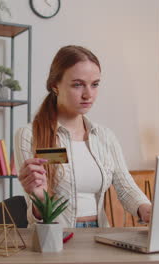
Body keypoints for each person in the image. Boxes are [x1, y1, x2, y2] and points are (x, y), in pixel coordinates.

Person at [14, 45, 151, 228]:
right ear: (55, 86)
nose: (88, 94)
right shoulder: (29, 135)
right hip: (54, 237)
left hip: (99, 235)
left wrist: (147, 210)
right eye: (77, 85)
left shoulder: (104, 136)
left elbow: (126, 187)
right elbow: (37, 214)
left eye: (94, 84)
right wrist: (40, 198)